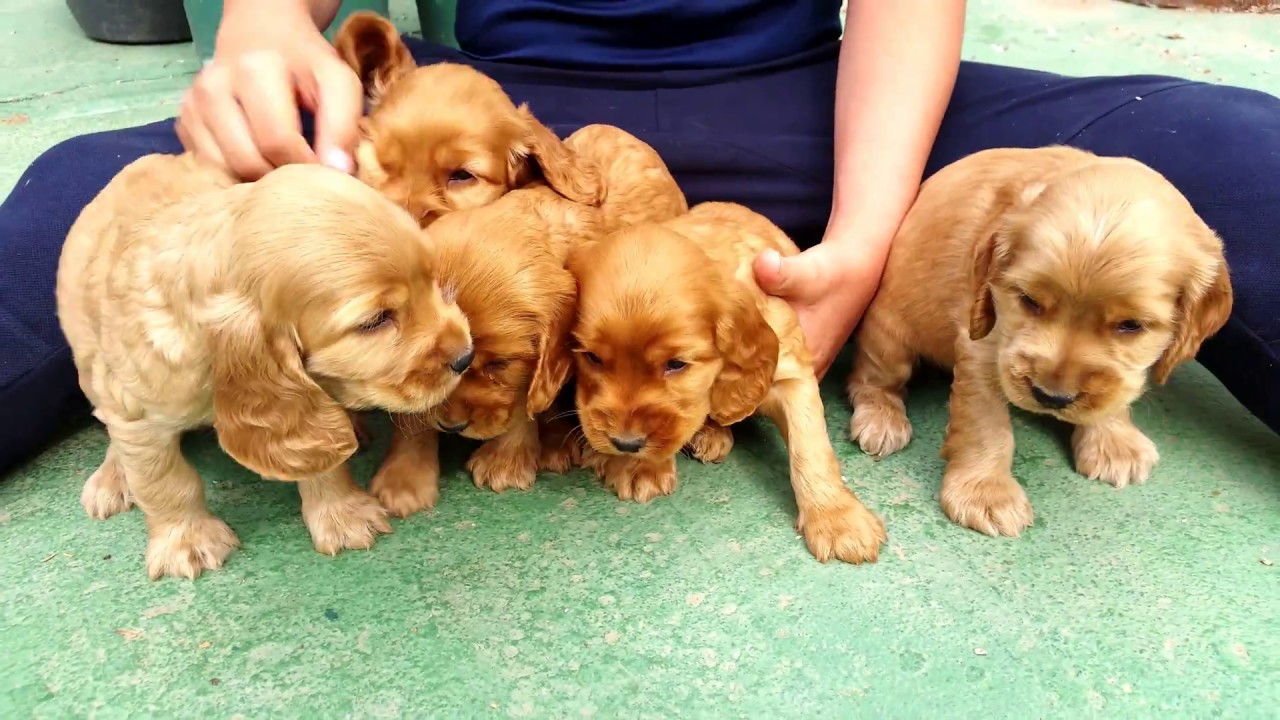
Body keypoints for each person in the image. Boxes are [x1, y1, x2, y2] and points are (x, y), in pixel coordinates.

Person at [1, 0, 1276, 475]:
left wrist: (868, 238)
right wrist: (260, 29)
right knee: (91, 191)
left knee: (1235, 150)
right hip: (504, 125)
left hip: (811, 92)